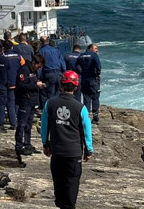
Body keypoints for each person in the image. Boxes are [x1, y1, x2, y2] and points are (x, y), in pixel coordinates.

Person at [41, 70, 93, 209]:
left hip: (57, 152)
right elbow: (87, 131)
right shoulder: (81, 108)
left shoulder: (50, 104)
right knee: (72, 185)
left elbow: (45, 127)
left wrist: (45, 144)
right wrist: (88, 150)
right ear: (76, 87)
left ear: (61, 84)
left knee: (58, 185)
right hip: (73, 153)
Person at [15, 54, 46, 164]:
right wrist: (35, 85)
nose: (39, 68)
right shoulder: (24, 70)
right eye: (39, 66)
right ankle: (19, 145)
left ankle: (27, 144)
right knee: (22, 124)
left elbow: (32, 83)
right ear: (35, 63)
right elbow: (21, 85)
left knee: (29, 125)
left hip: (32, 101)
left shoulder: (33, 71)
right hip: (25, 101)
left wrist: (39, 85)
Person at [78, 43, 101, 124]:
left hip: (84, 79)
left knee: (86, 97)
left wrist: (81, 72)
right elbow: (98, 65)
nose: (97, 50)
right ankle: (95, 117)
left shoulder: (81, 55)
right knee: (95, 96)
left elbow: (76, 65)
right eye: (95, 48)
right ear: (90, 48)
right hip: (93, 79)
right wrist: (97, 74)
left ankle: (86, 116)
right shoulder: (94, 55)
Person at [39, 36, 66, 104]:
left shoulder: (41, 51)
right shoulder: (56, 50)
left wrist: (38, 77)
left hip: (48, 74)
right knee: (58, 93)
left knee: (49, 93)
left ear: (41, 42)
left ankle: (50, 110)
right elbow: (62, 62)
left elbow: (40, 66)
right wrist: (64, 72)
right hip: (58, 73)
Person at [4, 43, 24, 130]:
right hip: (19, 82)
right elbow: (24, 67)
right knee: (18, 102)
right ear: (12, 47)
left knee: (10, 103)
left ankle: (13, 123)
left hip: (9, 82)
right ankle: (19, 120)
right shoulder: (19, 57)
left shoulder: (4, 57)